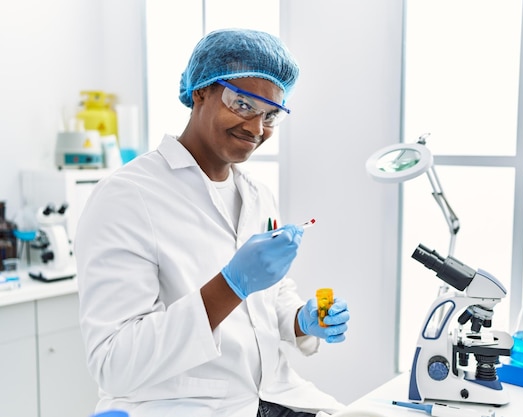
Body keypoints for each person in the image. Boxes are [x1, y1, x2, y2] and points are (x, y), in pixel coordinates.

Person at [75, 28, 351, 417]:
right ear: (200, 92)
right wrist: (230, 284)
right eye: (242, 104)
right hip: (183, 406)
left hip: (275, 395)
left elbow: (266, 297)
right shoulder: (127, 196)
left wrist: (301, 321)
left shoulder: (257, 194)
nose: (257, 129)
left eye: (271, 115)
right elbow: (115, 363)